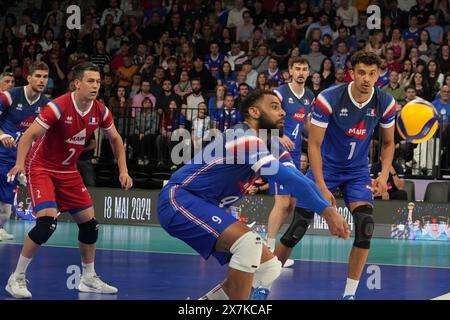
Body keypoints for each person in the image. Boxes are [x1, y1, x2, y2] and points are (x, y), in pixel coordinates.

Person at [157, 89, 350, 300]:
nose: (283, 112)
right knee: (249, 244)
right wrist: (328, 212)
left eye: (282, 107)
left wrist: (323, 198)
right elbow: (287, 178)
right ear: (254, 112)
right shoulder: (242, 136)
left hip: (208, 206)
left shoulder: (272, 144)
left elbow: (297, 177)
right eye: (274, 107)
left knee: (268, 267)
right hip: (179, 199)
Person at [273, 51, 397, 300]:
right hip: (326, 168)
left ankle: (349, 295)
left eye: (372, 73)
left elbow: (388, 143)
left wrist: (383, 175)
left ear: (378, 75)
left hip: (357, 171)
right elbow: (314, 145)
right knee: (297, 227)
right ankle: (264, 284)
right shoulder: (328, 98)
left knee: (366, 225)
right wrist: (320, 184)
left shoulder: (385, 102)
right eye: (361, 72)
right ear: (351, 73)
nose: (367, 78)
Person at [5, 62, 133, 299]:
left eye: (98, 81)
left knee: (90, 225)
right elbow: (28, 136)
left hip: (68, 170)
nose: (96, 85)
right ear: (77, 83)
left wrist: (123, 170)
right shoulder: (58, 107)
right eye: (90, 81)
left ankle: (88, 278)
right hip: (42, 167)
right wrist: (21, 164)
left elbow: (115, 139)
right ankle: (17, 277)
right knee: (46, 224)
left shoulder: (101, 110)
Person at [265, 57, 315, 269]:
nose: (301, 72)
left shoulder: (309, 96)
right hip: (277, 150)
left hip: (294, 154)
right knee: (283, 202)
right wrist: (279, 136)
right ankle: (268, 254)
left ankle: (274, 252)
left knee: (292, 204)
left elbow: (304, 125)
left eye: (304, 69)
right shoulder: (280, 93)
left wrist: (317, 136)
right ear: (290, 72)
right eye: (297, 69)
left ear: (308, 72)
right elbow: (267, 118)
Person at [0, 62, 50, 242]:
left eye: (45, 77)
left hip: (15, 161)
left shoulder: (47, 105)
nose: (41, 80)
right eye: (37, 76)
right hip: (0, 153)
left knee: (6, 205)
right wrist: (2, 134)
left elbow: (44, 136)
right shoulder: (10, 96)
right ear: (29, 78)